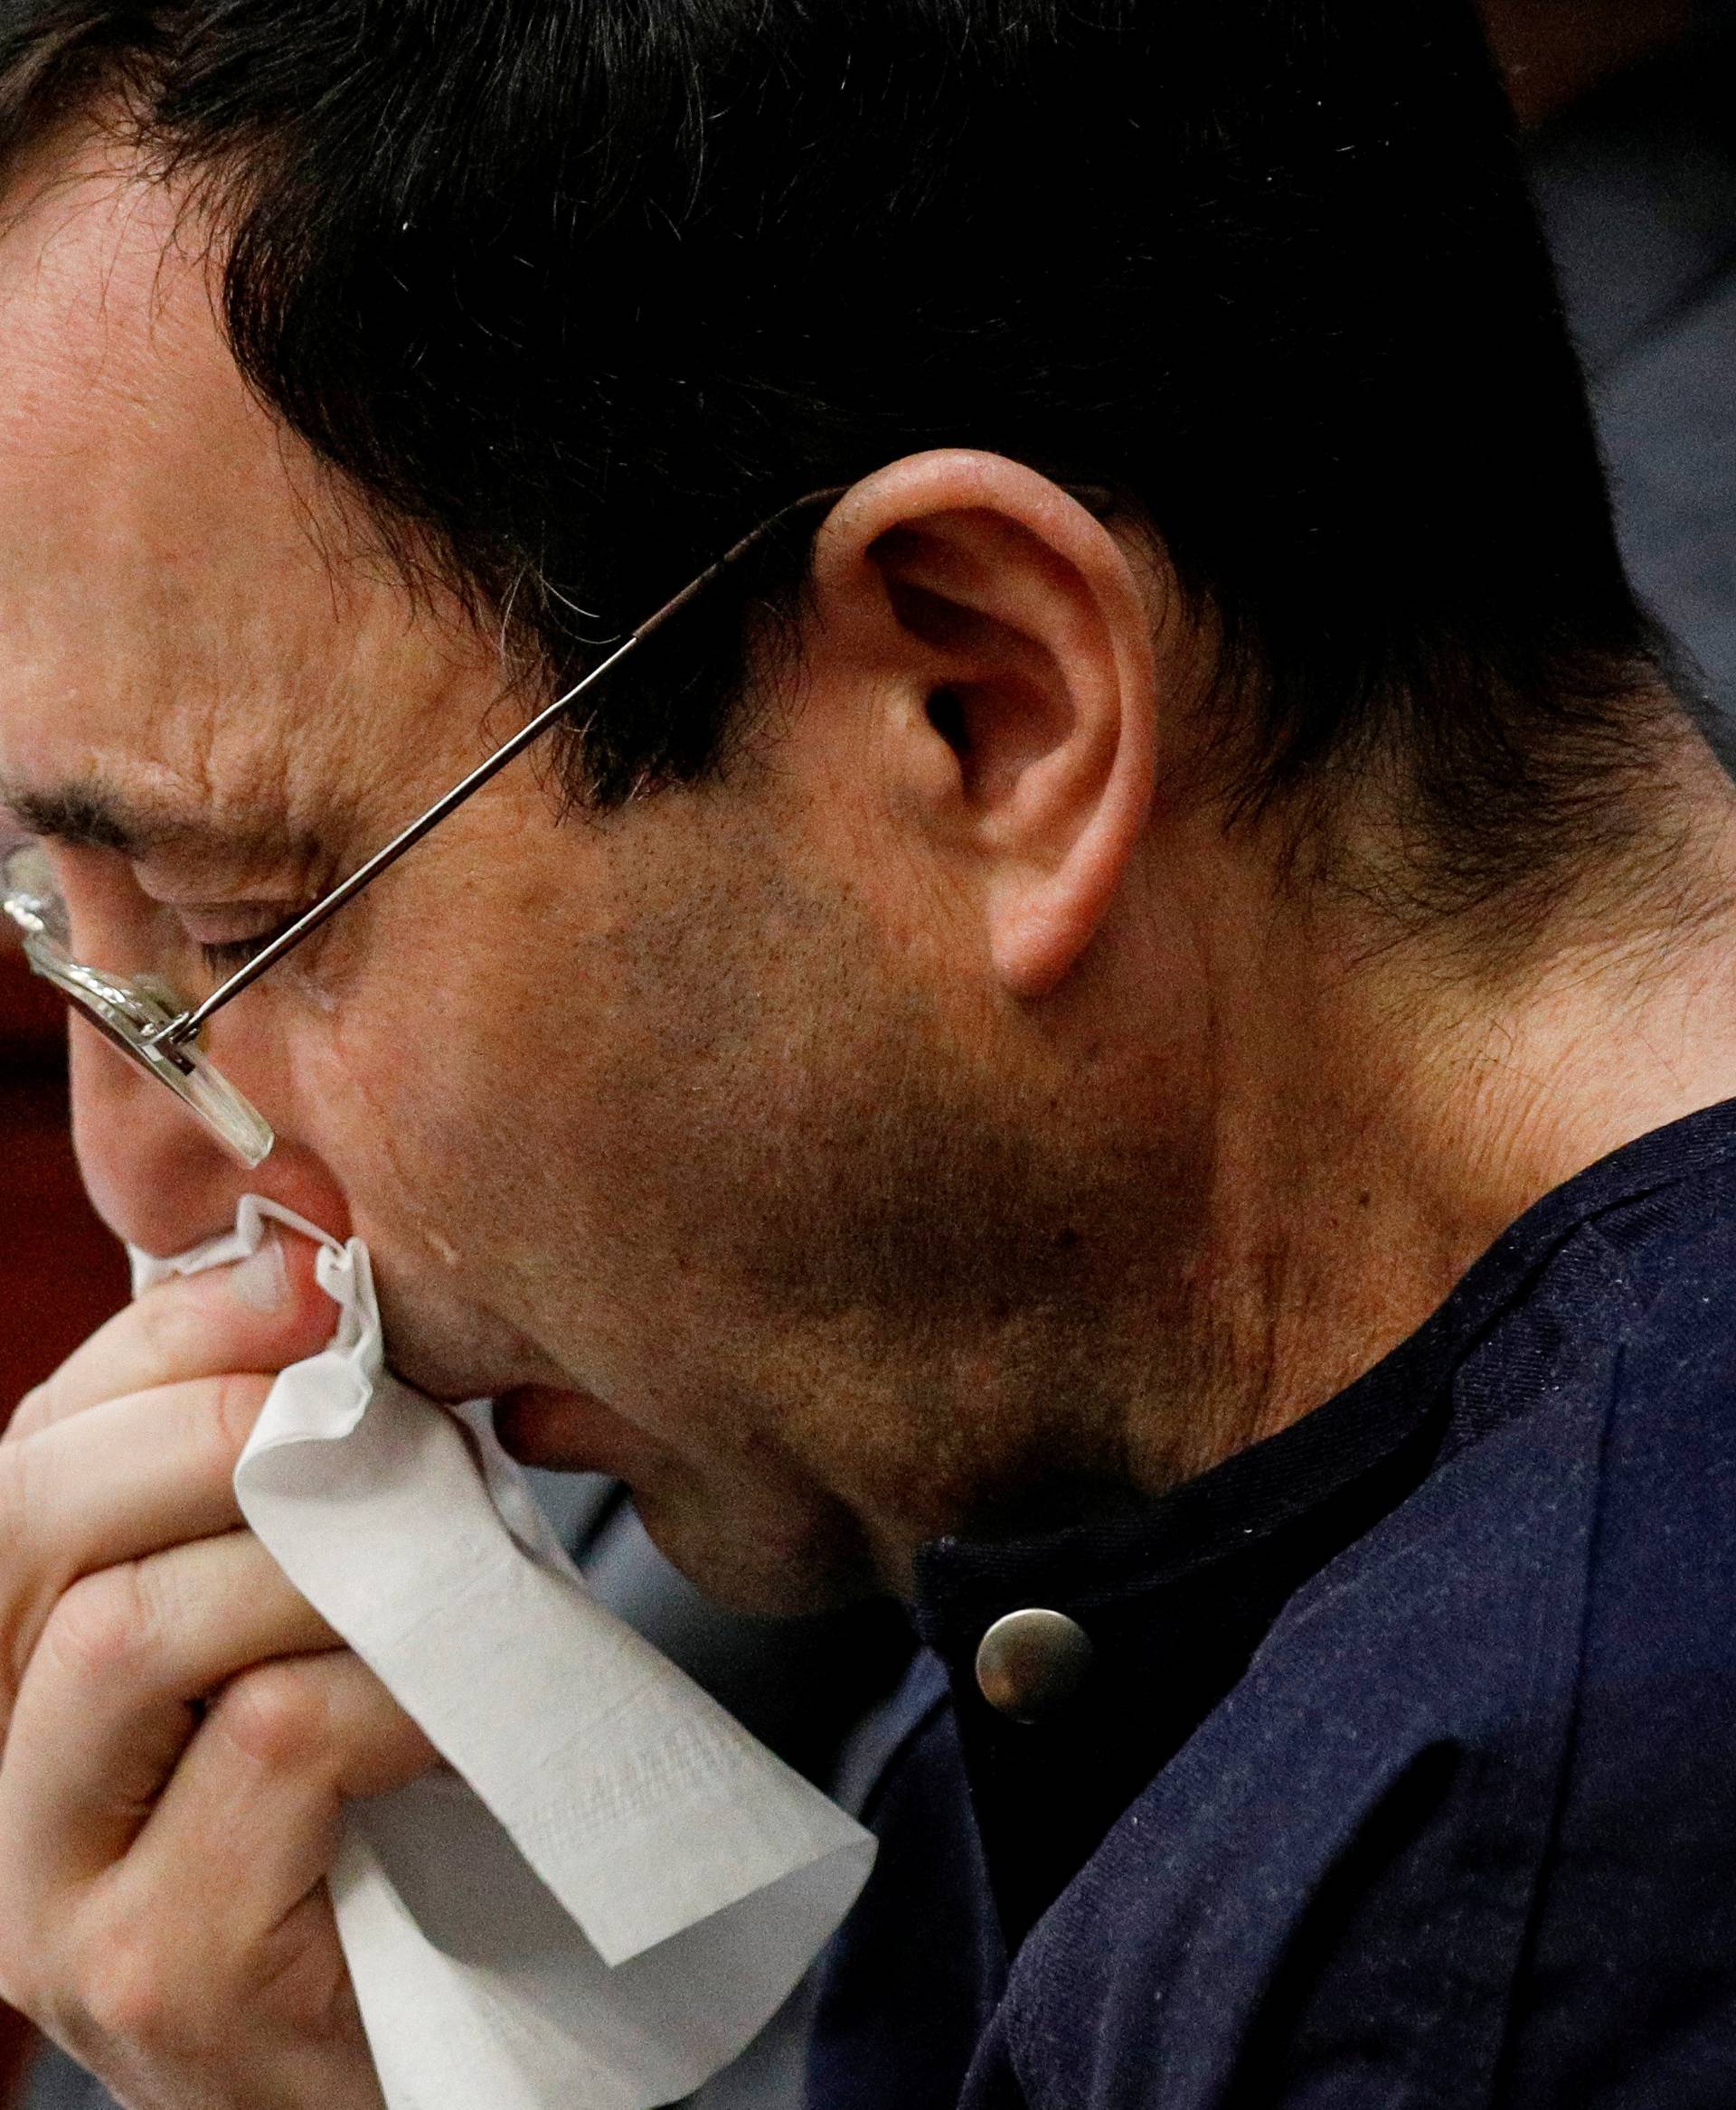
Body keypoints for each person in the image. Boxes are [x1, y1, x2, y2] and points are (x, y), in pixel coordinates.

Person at [4, 4, 1736, 2107]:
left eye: (225, 928)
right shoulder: (1222, 1560)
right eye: (55, 951)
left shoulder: (1532, 1898)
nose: (161, 1178)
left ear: (988, 713)